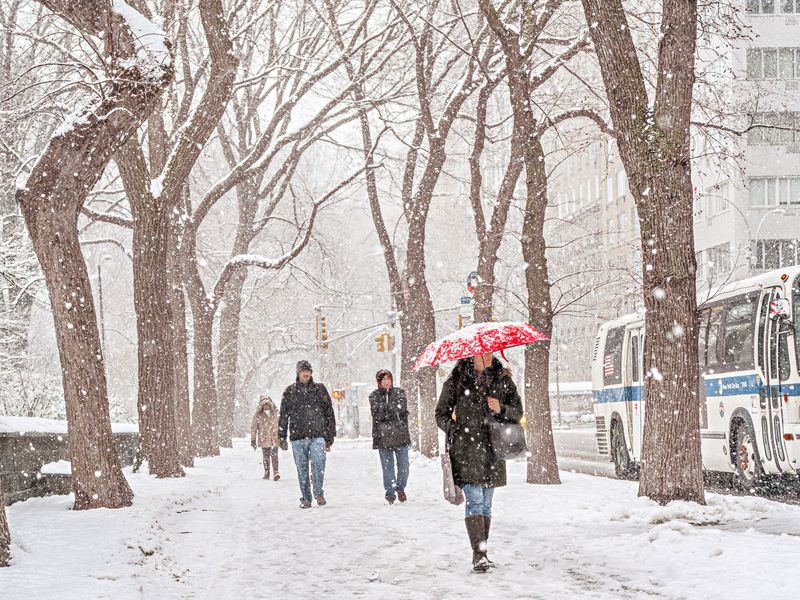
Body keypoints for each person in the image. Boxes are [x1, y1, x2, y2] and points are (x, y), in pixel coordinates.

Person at [435, 352, 522, 573]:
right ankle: (479, 555)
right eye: (482, 353)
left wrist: (500, 407)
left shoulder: (503, 380)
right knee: (474, 500)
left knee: (486, 504)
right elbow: (441, 413)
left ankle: (482, 551)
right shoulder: (456, 379)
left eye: (490, 352)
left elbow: (518, 412)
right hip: (466, 450)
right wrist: (456, 431)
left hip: (493, 449)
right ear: (472, 356)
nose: (487, 356)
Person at [278, 360, 336, 509]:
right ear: (298, 373)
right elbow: (284, 415)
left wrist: (330, 435)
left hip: (318, 435)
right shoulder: (289, 391)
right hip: (298, 437)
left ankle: (318, 492)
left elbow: (329, 412)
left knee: (319, 464)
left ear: (311, 373)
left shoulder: (320, 389)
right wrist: (282, 435)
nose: (306, 373)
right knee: (302, 469)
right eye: (303, 371)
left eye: (308, 371)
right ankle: (305, 498)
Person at [369, 369, 411, 504]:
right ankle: (390, 492)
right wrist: (391, 410)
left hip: (401, 436)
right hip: (383, 437)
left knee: (404, 466)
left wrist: (387, 410)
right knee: (388, 468)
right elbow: (377, 413)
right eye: (384, 379)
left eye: (389, 378)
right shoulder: (374, 396)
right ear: (379, 382)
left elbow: (402, 409)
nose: (387, 382)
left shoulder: (400, 392)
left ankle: (400, 488)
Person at [250, 394, 280, 480]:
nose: (266, 405)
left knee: (274, 455)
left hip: (275, 437)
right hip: (263, 438)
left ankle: (276, 472)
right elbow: (253, 428)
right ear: (261, 405)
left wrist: (282, 437)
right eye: (264, 404)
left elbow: (281, 425)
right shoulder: (258, 415)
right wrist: (253, 440)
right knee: (266, 456)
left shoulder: (276, 413)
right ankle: (267, 472)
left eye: (267, 404)